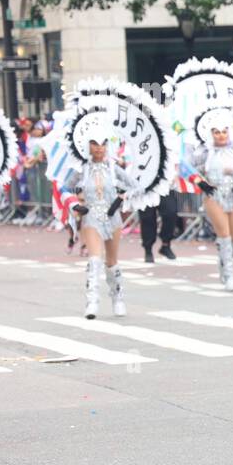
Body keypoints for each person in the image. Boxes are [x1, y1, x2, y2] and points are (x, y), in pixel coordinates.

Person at [64, 118, 140, 319]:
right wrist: (74, 203)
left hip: (113, 217)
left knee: (111, 261)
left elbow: (135, 186)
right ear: (87, 145)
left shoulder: (114, 169)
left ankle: (118, 299)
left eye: (103, 143)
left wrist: (123, 196)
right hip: (91, 217)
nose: (99, 148)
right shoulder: (81, 169)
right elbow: (64, 189)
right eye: (95, 144)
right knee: (94, 258)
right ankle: (92, 302)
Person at [189, 115, 233, 292]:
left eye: (224, 132)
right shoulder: (204, 152)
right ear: (211, 134)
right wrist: (200, 182)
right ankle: (229, 276)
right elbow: (187, 169)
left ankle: (223, 262)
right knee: (224, 236)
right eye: (217, 132)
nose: (221, 135)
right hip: (214, 196)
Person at [139, 190, 179, 263]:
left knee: (170, 212)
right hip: (145, 188)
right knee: (147, 217)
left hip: (164, 185)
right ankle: (148, 250)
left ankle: (166, 245)